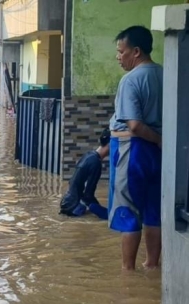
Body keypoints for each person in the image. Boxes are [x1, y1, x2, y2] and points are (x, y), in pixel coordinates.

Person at [108, 26, 163, 270]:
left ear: (136, 52)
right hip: (160, 153)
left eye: (122, 52)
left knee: (128, 210)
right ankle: (152, 265)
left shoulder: (130, 80)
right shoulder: (167, 74)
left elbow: (135, 125)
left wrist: (156, 140)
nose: (118, 57)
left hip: (134, 151)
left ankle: (127, 273)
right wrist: (162, 142)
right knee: (153, 210)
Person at [60, 129, 111, 220]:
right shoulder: (96, 163)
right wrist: (107, 216)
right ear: (110, 144)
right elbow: (88, 196)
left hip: (66, 203)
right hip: (75, 207)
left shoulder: (89, 155)